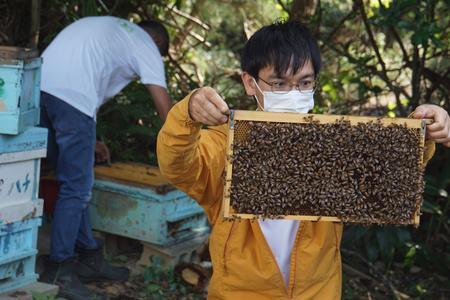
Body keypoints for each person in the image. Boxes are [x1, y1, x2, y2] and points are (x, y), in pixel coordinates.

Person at [157, 20, 450, 299]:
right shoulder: (226, 143)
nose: (293, 93)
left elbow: (387, 173)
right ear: (250, 82)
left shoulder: (337, 145)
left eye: (304, 82)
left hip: (317, 293)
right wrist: (188, 113)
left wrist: (423, 131)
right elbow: (177, 165)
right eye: (280, 84)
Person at [39, 16, 171, 300]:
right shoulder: (146, 44)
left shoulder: (111, 30)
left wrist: (93, 140)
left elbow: (84, 80)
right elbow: (165, 109)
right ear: (157, 42)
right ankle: (59, 268)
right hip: (72, 100)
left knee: (75, 182)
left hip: (38, 89)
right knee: (77, 188)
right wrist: (186, 146)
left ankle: (89, 255)